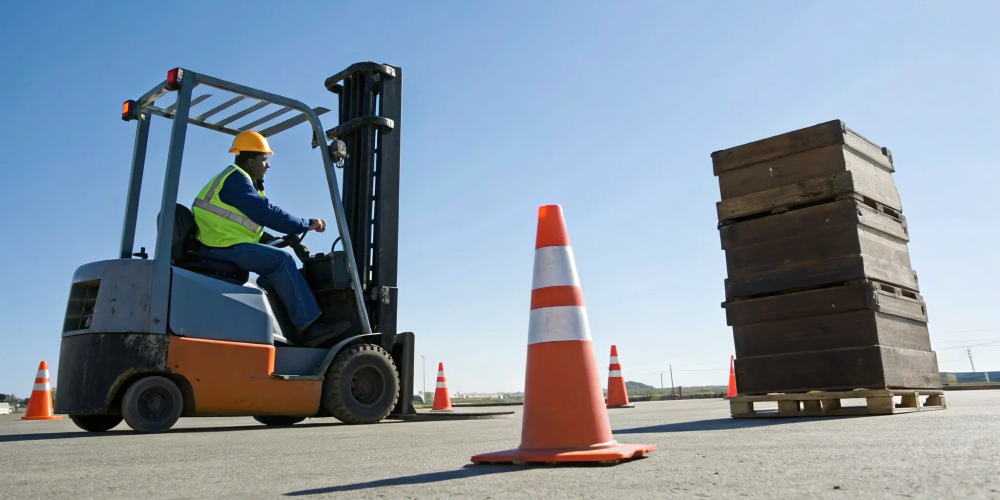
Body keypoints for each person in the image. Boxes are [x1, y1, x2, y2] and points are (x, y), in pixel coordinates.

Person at [192, 130, 347, 346]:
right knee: (282, 261)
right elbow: (268, 213)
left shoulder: (239, 181)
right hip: (221, 247)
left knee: (276, 263)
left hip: (222, 242)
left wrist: (279, 239)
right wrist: (307, 223)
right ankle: (310, 327)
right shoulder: (236, 180)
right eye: (264, 159)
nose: (268, 165)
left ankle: (284, 326)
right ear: (250, 160)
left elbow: (245, 224)